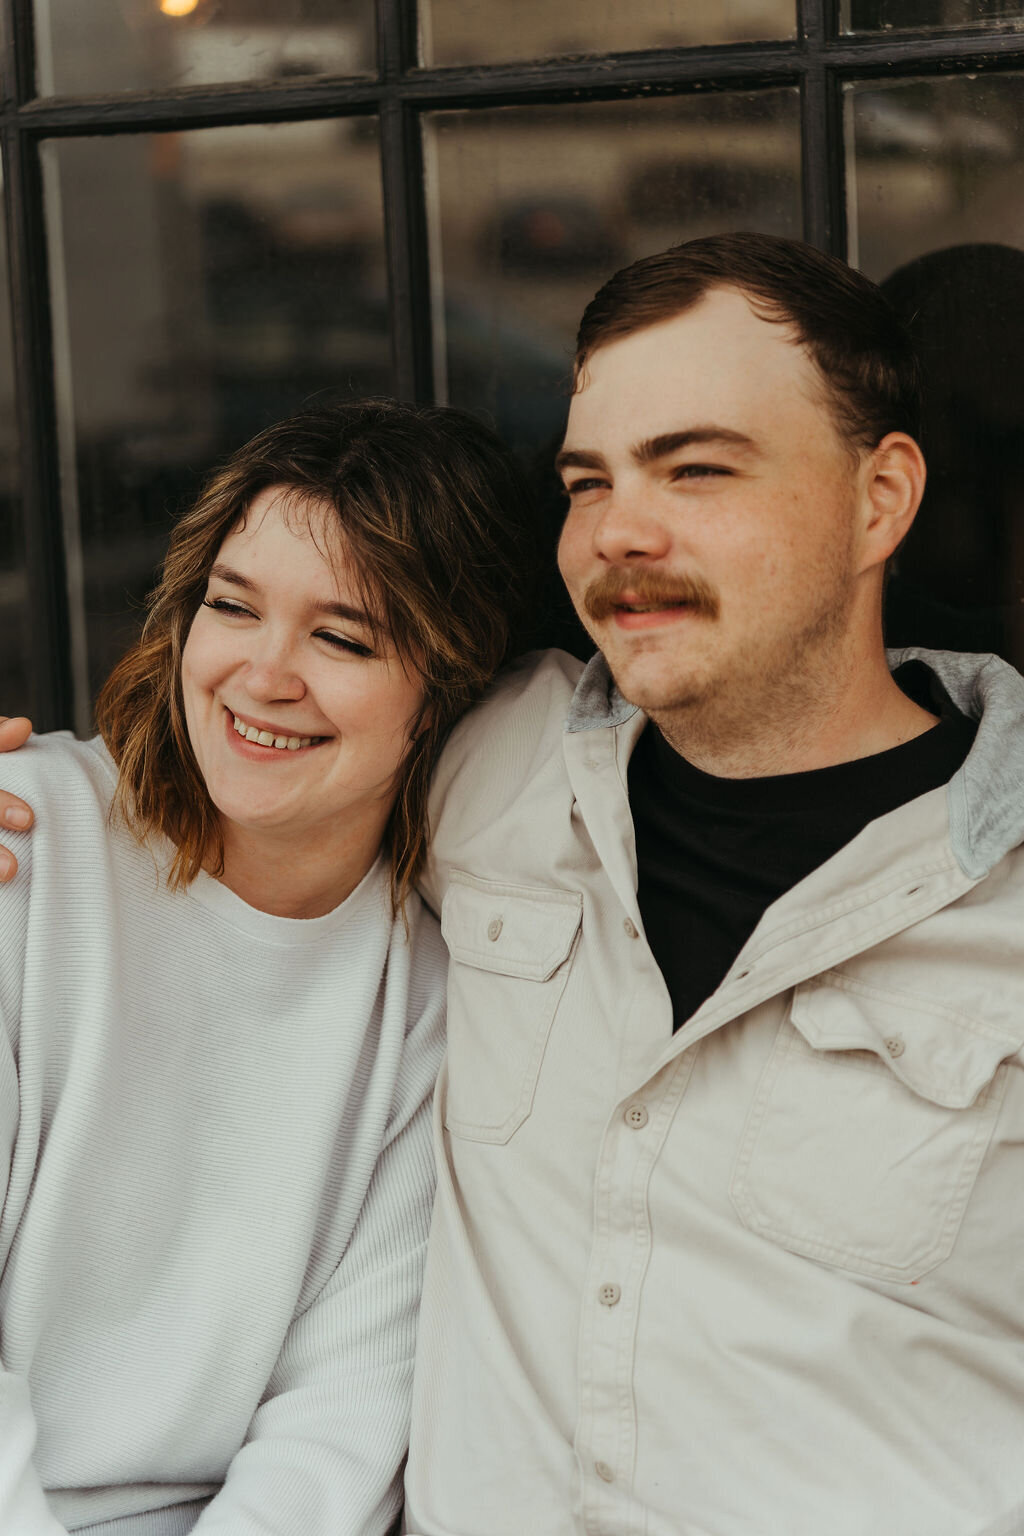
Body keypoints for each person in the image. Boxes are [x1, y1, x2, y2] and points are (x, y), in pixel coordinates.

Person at [5, 234, 1024, 1536]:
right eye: (588, 479)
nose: (622, 531)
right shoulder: (499, 770)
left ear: (880, 497)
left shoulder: (999, 893)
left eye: (696, 467)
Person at [0, 398, 534, 1534]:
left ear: (446, 692)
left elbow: (339, 1423)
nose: (262, 674)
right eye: (231, 607)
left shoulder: (438, 998)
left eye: (342, 638)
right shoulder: (22, 852)